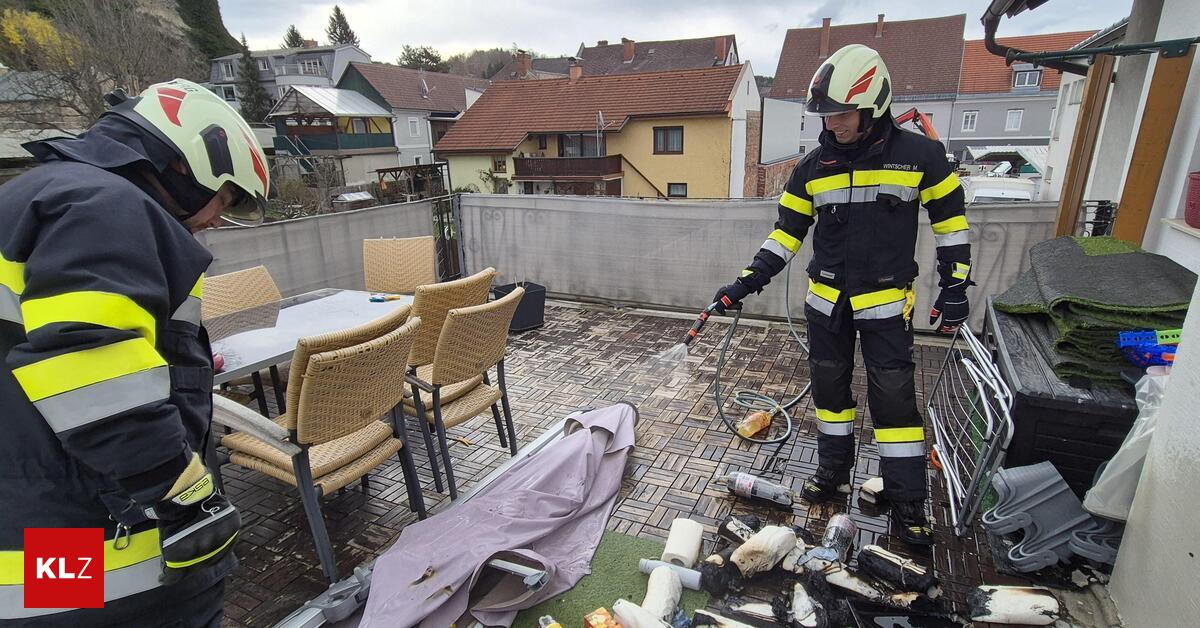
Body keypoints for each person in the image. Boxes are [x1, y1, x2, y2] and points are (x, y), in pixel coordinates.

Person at [0, 78, 270, 625]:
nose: (217, 217)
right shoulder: (107, 207)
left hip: (39, 526)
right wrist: (184, 495)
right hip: (99, 536)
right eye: (224, 197)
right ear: (187, 163)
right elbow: (90, 367)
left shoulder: (37, 196)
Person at [712, 45, 972, 546]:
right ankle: (833, 474)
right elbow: (785, 235)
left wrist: (956, 287)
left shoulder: (922, 156)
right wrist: (743, 284)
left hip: (886, 307)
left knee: (894, 407)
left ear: (875, 105)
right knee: (831, 399)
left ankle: (908, 504)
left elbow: (952, 227)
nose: (833, 124)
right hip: (826, 307)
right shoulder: (812, 167)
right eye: (826, 116)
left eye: (843, 114)